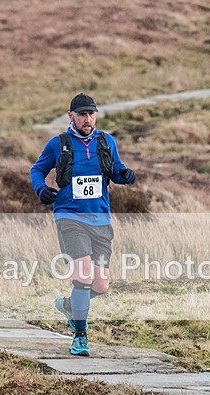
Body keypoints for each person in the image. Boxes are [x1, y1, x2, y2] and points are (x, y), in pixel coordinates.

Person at [30, 93, 136, 356]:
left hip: (100, 218)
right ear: (71, 116)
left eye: (91, 114)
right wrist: (41, 188)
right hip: (69, 217)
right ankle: (80, 337)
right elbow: (36, 170)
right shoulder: (58, 144)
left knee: (101, 286)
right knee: (84, 275)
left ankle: (69, 305)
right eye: (82, 114)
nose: (87, 119)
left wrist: (126, 176)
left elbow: (116, 171)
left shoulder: (107, 141)